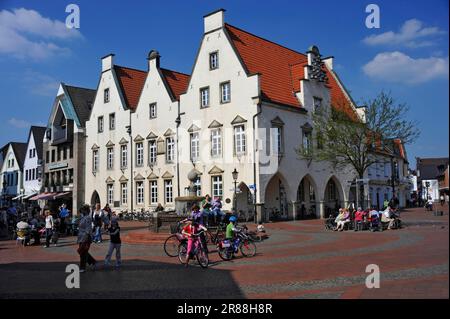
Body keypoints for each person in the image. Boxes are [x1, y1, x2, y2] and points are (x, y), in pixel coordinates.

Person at [77, 204, 96, 273]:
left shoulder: (87, 218)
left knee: (83, 252)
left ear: (85, 211)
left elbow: (88, 229)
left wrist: (86, 238)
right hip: (81, 237)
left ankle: (82, 267)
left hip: (85, 237)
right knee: (81, 252)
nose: (81, 211)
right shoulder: (83, 217)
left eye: (82, 210)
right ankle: (93, 262)